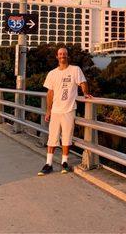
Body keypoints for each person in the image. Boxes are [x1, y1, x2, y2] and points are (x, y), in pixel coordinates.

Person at [38, 47, 92, 176]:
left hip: (68, 109)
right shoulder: (52, 73)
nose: (62, 56)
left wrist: (85, 93)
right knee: (52, 138)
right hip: (55, 110)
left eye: (64, 54)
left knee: (67, 137)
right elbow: (49, 93)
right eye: (60, 54)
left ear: (68, 56)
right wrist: (48, 110)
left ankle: (64, 163)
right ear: (57, 57)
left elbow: (82, 82)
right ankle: (48, 164)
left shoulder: (75, 70)